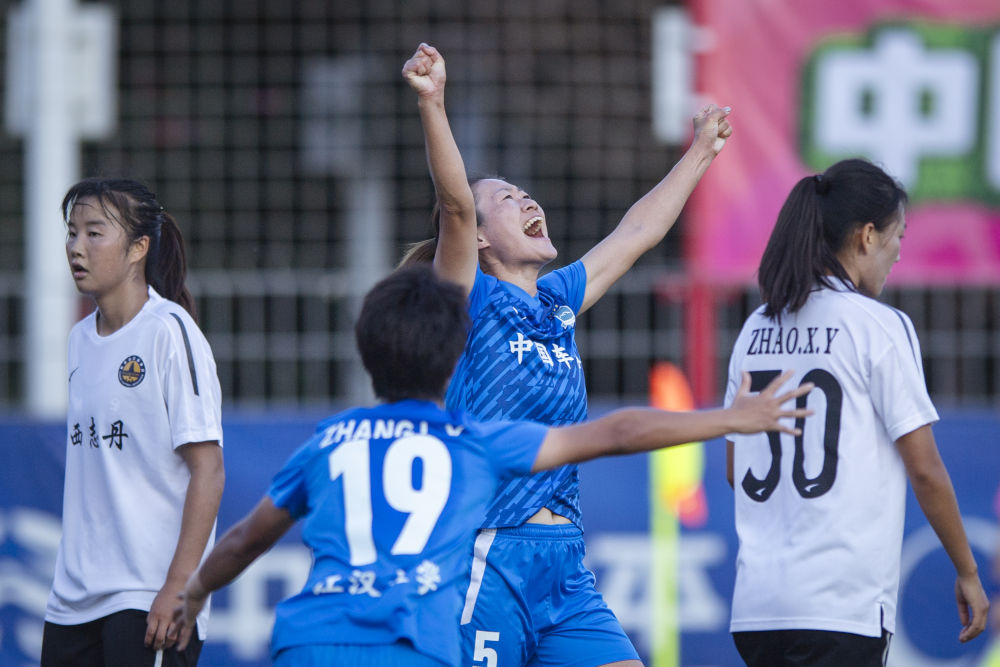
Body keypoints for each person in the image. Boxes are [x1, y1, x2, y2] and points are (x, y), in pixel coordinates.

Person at [171, 265, 810, 667]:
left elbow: (245, 539)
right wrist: (731, 418)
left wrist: (193, 593)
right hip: (413, 643)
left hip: (308, 642)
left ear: (366, 355)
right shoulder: (472, 441)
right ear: (459, 360)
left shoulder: (329, 442)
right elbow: (618, 432)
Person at [400, 42, 732, 666]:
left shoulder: (556, 301)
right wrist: (432, 102)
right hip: (488, 555)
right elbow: (455, 205)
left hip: (566, 568)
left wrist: (700, 153)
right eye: (507, 199)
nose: (528, 201)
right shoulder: (469, 298)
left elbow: (638, 232)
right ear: (478, 239)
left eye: (526, 193)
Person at [723, 158, 990, 665]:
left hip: (756, 610)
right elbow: (925, 470)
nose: (897, 253)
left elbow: (738, 471)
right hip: (840, 608)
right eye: (897, 237)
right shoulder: (877, 325)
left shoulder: (755, 328)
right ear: (867, 236)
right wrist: (968, 573)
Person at [41, 178, 225, 667]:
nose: (76, 247)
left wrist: (179, 586)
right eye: (72, 232)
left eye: (94, 233)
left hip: (147, 596)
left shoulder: (170, 332)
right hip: (72, 601)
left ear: (138, 248)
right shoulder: (79, 340)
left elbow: (209, 470)